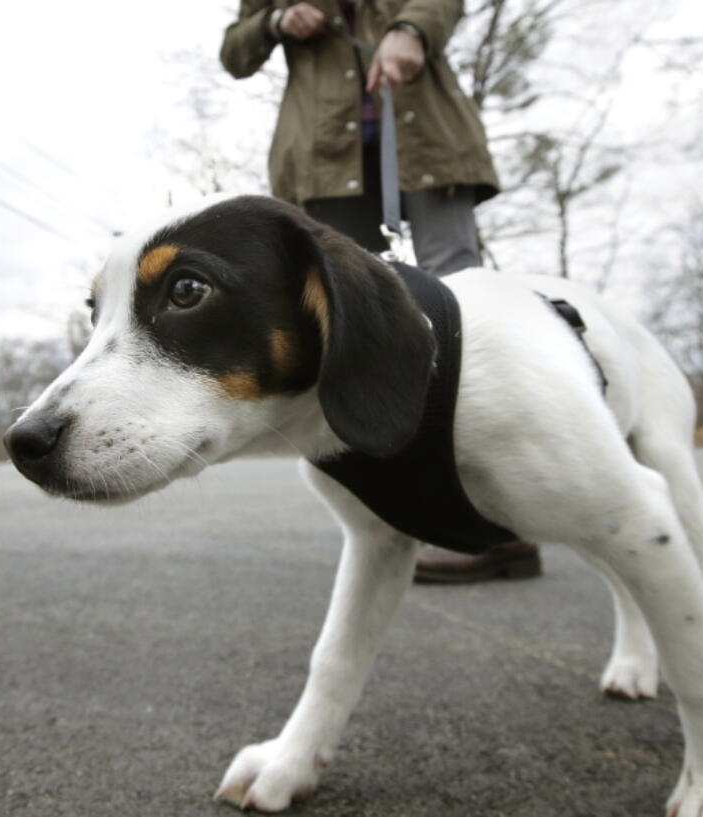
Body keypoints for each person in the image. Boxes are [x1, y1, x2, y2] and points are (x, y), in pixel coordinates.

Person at [220, 0, 541, 583]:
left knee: (464, 301)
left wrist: (410, 29)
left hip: (428, 134)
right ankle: (389, 518)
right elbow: (235, 51)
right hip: (320, 153)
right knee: (350, 320)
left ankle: (495, 521)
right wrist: (276, 21)